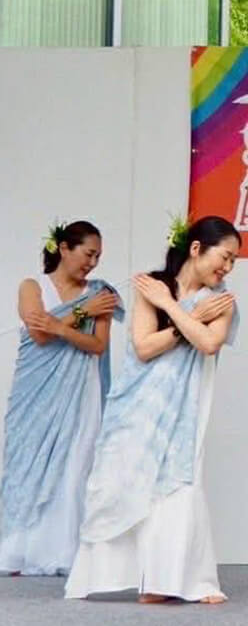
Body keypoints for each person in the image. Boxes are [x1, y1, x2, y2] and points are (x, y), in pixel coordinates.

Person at [65, 216, 240, 604]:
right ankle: (126, 577)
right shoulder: (152, 287)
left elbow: (209, 343)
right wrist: (180, 313)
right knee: (121, 483)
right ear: (197, 249)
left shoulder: (221, 300)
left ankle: (168, 581)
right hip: (137, 407)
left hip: (182, 412)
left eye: (233, 263)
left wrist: (174, 312)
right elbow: (144, 348)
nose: (227, 268)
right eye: (224, 257)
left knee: (175, 486)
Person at [1, 220, 119, 575]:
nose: (92, 263)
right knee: (26, 462)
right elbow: (38, 334)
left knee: (75, 465)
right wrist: (81, 314)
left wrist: (59, 327)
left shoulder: (101, 292)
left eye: (97, 256)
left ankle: (64, 553)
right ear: (64, 249)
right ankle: (19, 550)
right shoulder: (32, 286)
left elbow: (98, 345)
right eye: (88, 253)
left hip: (81, 390)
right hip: (34, 392)